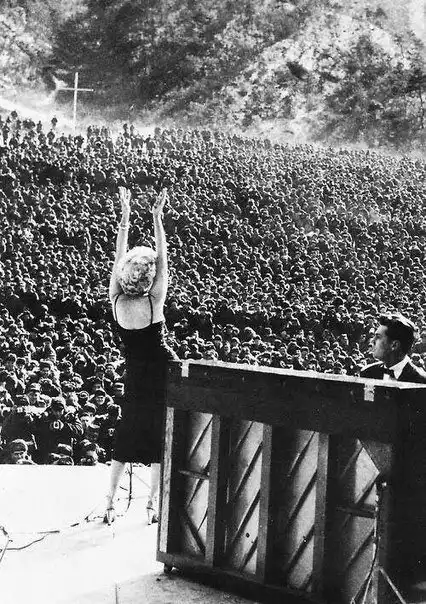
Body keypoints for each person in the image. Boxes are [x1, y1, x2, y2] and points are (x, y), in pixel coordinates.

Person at [105, 186, 178, 525]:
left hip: (134, 375)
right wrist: (157, 218)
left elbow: (118, 258)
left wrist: (125, 216)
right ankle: (153, 505)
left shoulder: (116, 301)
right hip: (162, 372)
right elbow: (164, 260)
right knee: (159, 437)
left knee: (127, 434)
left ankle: (109, 502)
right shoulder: (155, 300)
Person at [360, 313, 426, 383]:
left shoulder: (421, 381)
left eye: (378, 337)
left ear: (394, 345)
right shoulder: (367, 373)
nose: (372, 341)